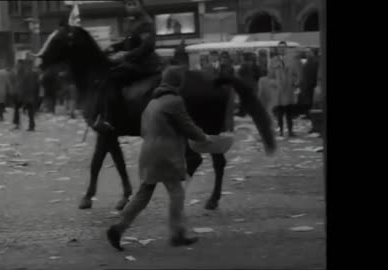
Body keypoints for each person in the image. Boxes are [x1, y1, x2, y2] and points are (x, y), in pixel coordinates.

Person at [106, 66, 212, 251]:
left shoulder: (152, 102)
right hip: (166, 155)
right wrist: (205, 139)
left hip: (148, 152)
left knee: (144, 193)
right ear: (178, 83)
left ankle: (118, 228)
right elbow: (188, 126)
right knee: (176, 193)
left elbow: (143, 129)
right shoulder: (174, 101)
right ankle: (177, 234)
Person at [90, 0, 162, 132]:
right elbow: (128, 42)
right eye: (128, 4)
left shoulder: (145, 22)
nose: (130, 7)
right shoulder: (133, 21)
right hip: (134, 62)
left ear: (141, 5)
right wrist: (112, 47)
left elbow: (147, 47)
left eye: (134, 3)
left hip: (144, 65)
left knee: (110, 77)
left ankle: (109, 118)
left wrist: (125, 56)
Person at [270, 41, 301, 137]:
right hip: (279, 91)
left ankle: (290, 131)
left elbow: (297, 75)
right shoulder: (273, 61)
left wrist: (295, 83)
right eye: (280, 47)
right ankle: (281, 131)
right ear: (277, 49)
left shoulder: (292, 60)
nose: (281, 49)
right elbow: (270, 76)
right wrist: (275, 84)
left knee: (289, 112)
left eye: (283, 47)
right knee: (279, 113)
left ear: (286, 48)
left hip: (289, 90)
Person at [12, 60, 40, 131]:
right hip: (25, 94)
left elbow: (25, 84)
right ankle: (23, 124)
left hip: (27, 94)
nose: (17, 66)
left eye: (18, 64)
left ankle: (30, 125)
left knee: (29, 109)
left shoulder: (27, 73)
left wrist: (21, 94)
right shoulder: (21, 72)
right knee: (23, 109)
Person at [236, 52, 261, 117]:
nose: (241, 60)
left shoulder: (244, 65)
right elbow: (258, 76)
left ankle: (242, 112)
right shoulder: (256, 66)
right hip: (253, 86)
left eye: (242, 58)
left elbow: (239, 74)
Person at [298, 48, 319, 117]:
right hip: (306, 83)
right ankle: (307, 113)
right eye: (306, 52)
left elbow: (314, 73)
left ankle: (309, 114)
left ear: (312, 53)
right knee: (307, 99)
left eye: (308, 52)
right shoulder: (308, 61)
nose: (307, 53)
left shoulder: (314, 61)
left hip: (310, 83)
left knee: (309, 100)